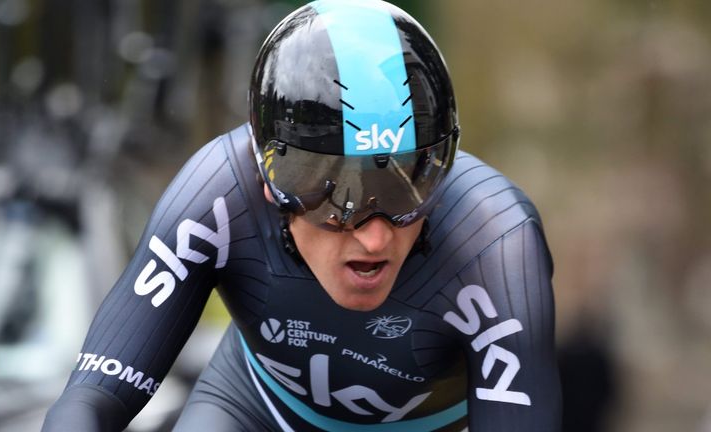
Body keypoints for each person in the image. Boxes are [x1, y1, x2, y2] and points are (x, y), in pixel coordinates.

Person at [43, 0, 561, 430]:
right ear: (269, 180)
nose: (375, 237)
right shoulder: (218, 193)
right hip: (256, 410)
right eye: (333, 194)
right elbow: (91, 401)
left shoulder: (495, 239)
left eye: (407, 189)